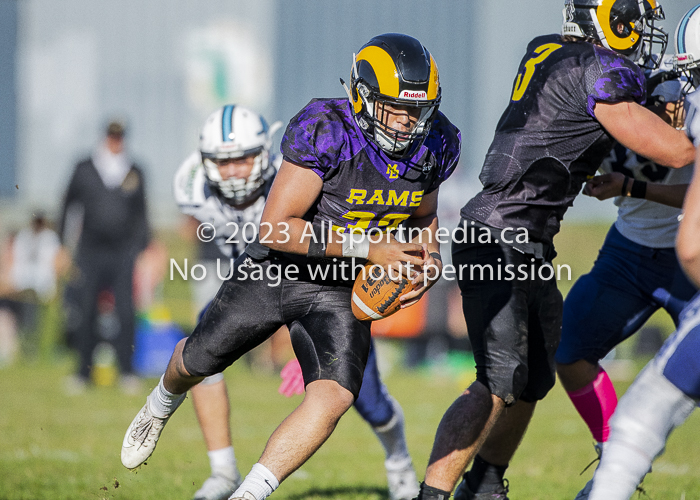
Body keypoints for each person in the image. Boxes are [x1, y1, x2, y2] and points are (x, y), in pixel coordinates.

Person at [121, 33, 460, 500]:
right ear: (362, 97)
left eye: (416, 110)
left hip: (341, 286)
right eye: (394, 108)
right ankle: (160, 403)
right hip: (279, 271)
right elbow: (276, 228)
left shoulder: (435, 141)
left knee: (336, 396)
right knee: (197, 361)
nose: (407, 123)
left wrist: (430, 256)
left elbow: (423, 215)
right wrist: (371, 248)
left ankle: (250, 492)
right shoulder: (327, 128)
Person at [413, 2, 696, 500]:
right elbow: (679, 153)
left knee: (534, 376)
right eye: (638, 19)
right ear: (614, 17)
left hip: (526, 241)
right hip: (496, 238)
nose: (643, 33)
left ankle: (484, 486)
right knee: (498, 380)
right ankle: (431, 495)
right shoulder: (598, 69)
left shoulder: (549, 50)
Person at [174, 104, 420, 500]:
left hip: (328, 286)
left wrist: (296, 348)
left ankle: (399, 462)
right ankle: (222, 472)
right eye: (223, 161)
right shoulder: (192, 190)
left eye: (243, 158)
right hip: (262, 285)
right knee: (200, 344)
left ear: (264, 154)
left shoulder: (298, 175)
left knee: (368, 400)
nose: (234, 171)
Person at [556, 12, 700, 496]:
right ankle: (612, 465)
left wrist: (632, 184)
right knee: (570, 348)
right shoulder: (590, 90)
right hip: (630, 249)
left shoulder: (683, 93)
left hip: (686, 252)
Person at [59, 120, 150, 393]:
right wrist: (62, 245)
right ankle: (82, 372)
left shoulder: (134, 170)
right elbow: (67, 205)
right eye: (112, 136)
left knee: (125, 309)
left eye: (120, 136)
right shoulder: (85, 168)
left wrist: (144, 248)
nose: (115, 141)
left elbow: (142, 214)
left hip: (123, 251)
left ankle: (127, 371)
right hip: (90, 249)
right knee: (86, 308)